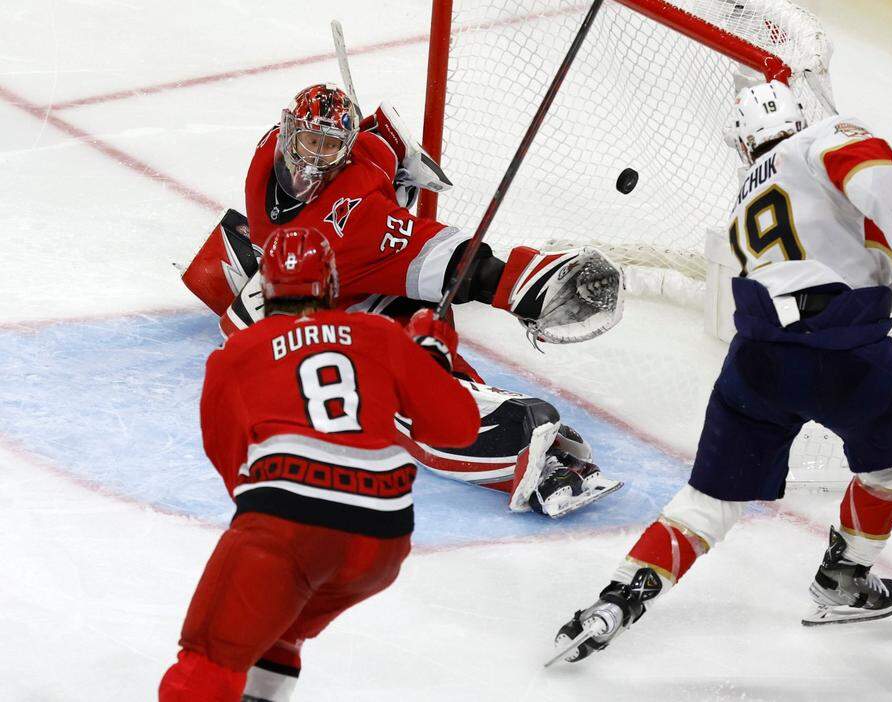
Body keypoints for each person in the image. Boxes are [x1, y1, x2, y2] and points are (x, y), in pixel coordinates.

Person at [550, 80, 892, 662]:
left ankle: (617, 600)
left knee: (709, 499)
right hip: (841, 351)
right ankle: (845, 575)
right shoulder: (819, 138)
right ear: (800, 116)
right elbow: (875, 177)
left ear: (743, 143)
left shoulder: (745, 197)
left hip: (754, 361)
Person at [180, 83, 624, 518]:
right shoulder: (269, 154)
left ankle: (514, 442)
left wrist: (525, 286)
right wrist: (391, 149)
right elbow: (383, 139)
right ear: (287, 131)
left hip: (364, 290)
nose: (313, 157)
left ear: (346, 152)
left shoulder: (356, 217)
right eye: (308, 140)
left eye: (329, 147)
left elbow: (454, 262)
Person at [159, 228, 480, 701]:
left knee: (209, 658)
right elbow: (457, 429)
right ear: (331, 286)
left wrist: (274, 528)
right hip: (382, 540)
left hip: (291, 521)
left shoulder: (237, 353)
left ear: (265, 290)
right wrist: (433, 359)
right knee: (278, 632)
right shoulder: (381, 334)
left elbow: (229, 458)